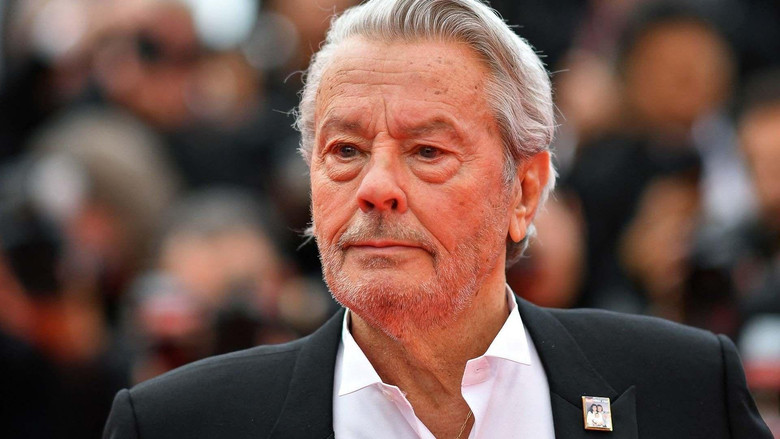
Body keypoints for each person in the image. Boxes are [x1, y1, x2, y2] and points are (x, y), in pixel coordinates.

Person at [103, 0, 772, 438]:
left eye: (427, 151)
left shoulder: (685, 387)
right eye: (345, 151)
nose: (376, 188)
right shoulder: (177, 424)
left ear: (524, 190)